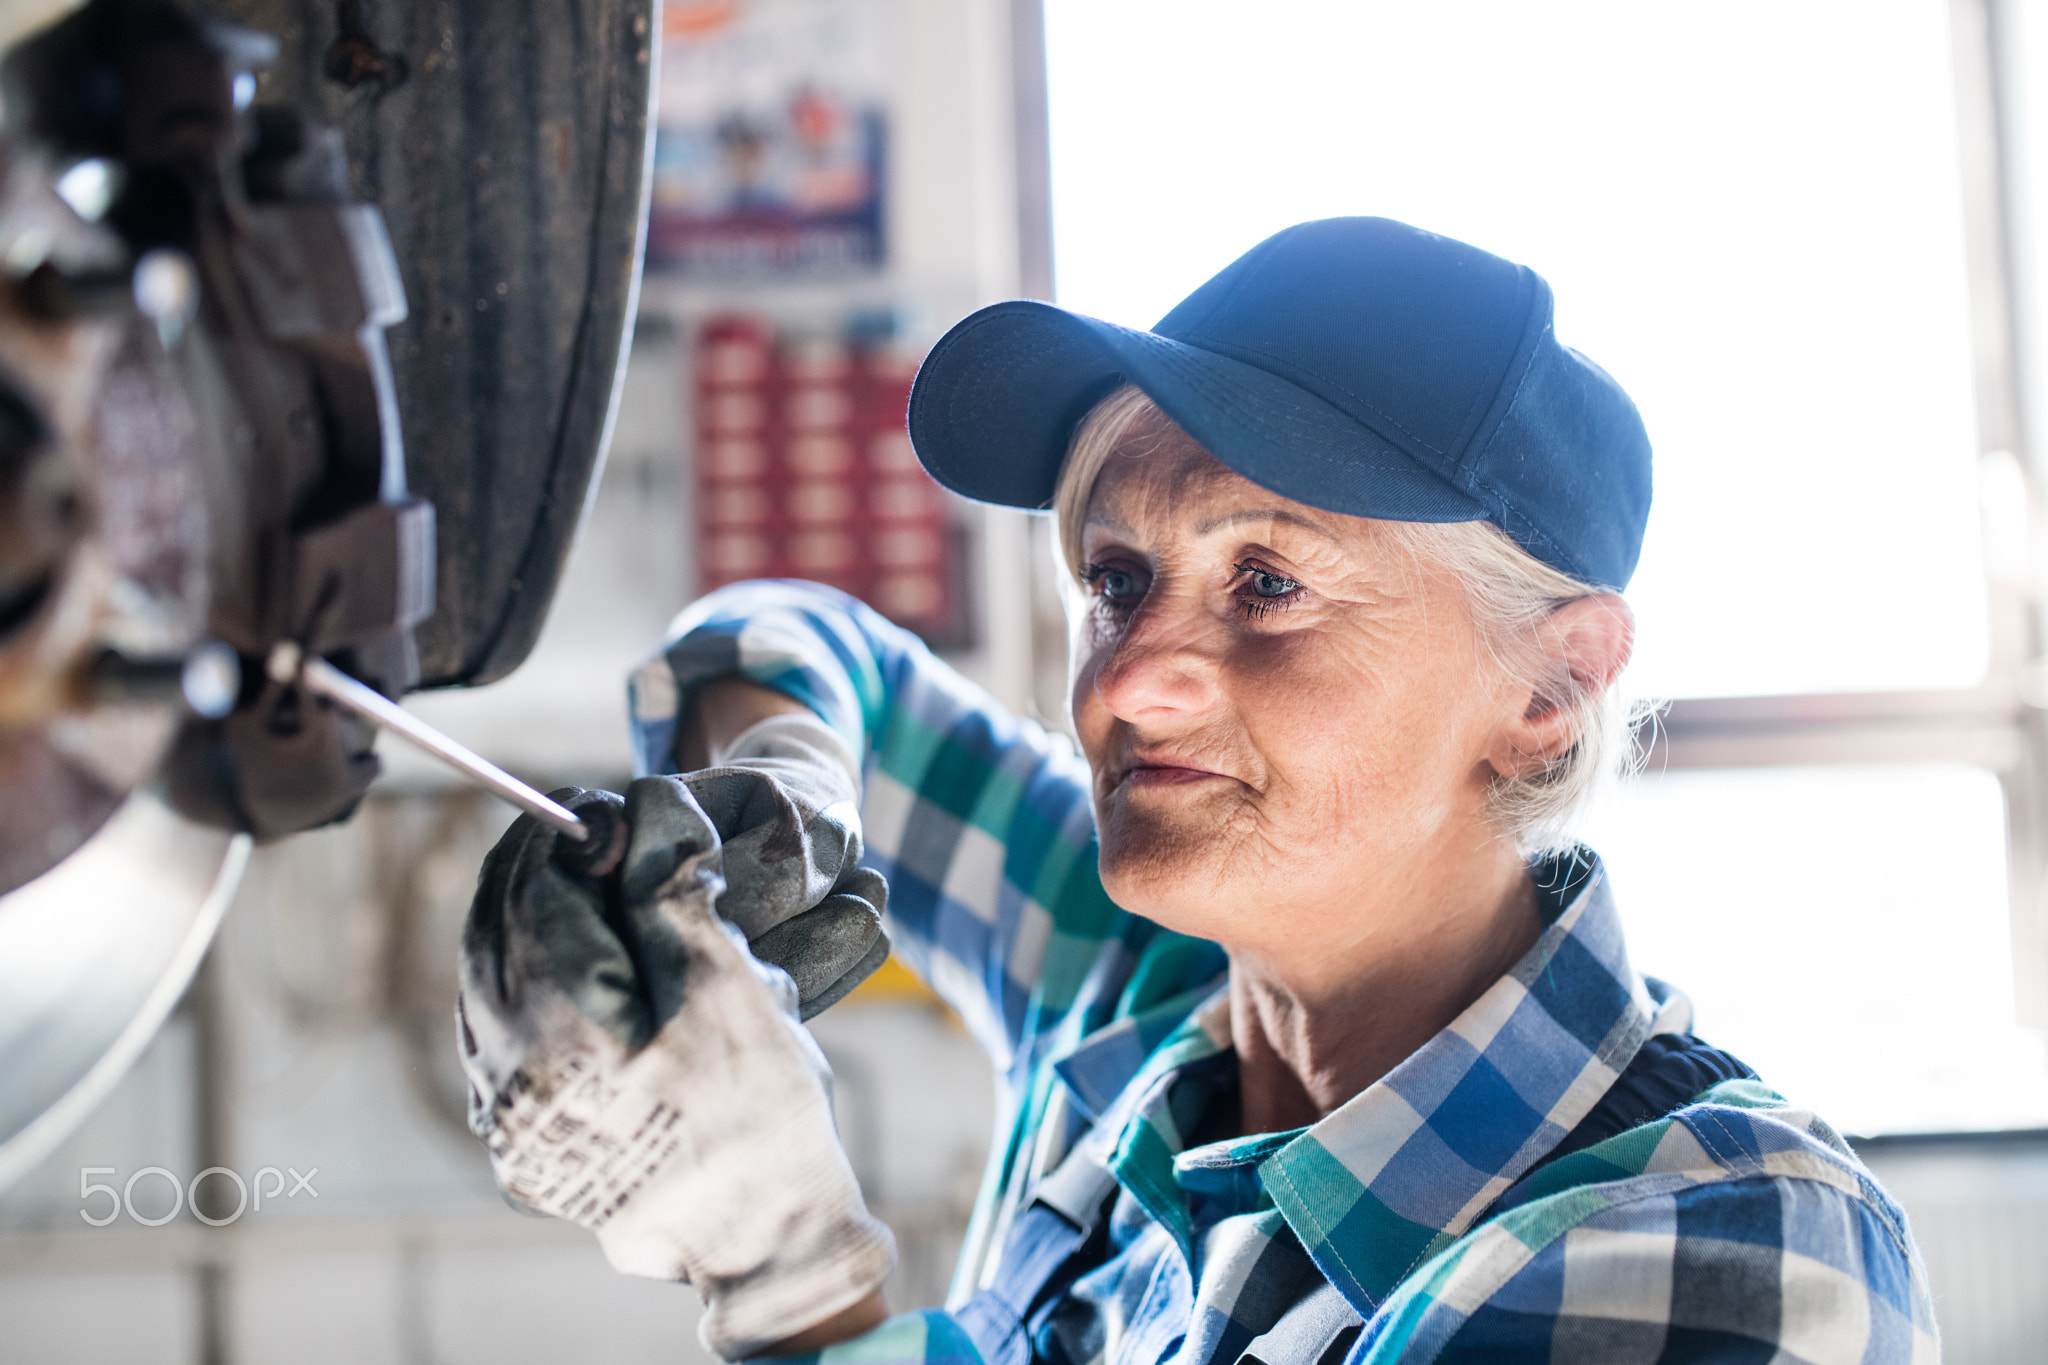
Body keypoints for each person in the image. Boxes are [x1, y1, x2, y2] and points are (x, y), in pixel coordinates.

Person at [455, 218, 1939, 1364]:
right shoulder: (1133, 987)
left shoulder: (1732, 1240)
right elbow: (795, 635)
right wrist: (778, 780)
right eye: (1117, 580)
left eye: (1271, 583)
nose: (1124, 684)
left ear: (1544, 697)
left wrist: (792, 1285)